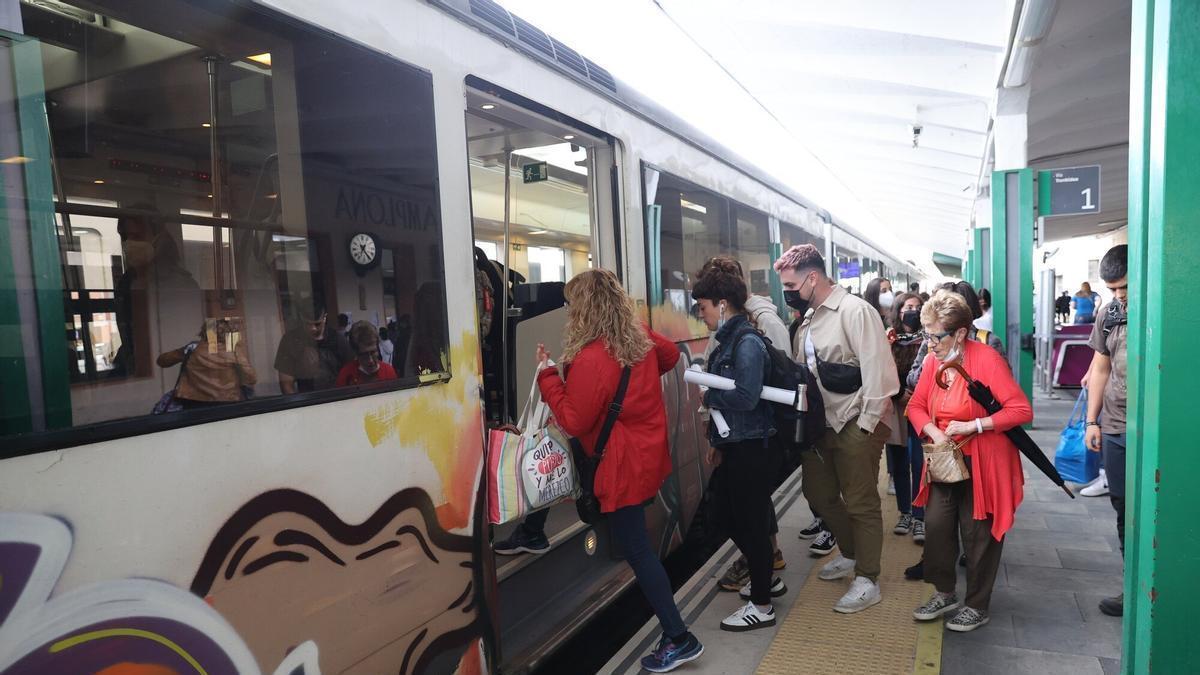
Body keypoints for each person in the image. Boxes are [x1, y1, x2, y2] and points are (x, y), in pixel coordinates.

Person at [528, 268, 703, 672]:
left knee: (638, 551)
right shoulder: (636, 336)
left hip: (620, 466)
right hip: (645, 456)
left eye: (573, 306)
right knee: (636, 543)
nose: (569, 314)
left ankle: (680, 638)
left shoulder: (592, 358)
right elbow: (672, 356)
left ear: (585, 309)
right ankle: (676, 633)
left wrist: (547, 376)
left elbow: (573, 420)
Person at [775, 244, 900, 614]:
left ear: (813, 278)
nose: (788, 292)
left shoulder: (855, 311)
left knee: (860, 501)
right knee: (818, 492)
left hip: (854, 420)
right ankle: (849, 552)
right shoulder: (810, 318)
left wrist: (865, 427)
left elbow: (879, 373)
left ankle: (868, 577)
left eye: (791, 285)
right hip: (821, 425)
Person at [907, 291, 1032, 632]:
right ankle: (945, 592)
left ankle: (977, 604)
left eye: (935, 336)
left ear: (960, 332)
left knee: (979, 536)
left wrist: (974, 425)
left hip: (984, 461)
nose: (929, 344)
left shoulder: (987, 359)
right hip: (945, 459)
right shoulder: (935, 360)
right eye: (926, 335)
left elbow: (1021, 410)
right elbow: (915, 405)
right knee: (935, 527)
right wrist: (934, 430)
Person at [692, 262, 785, 632]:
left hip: (753, 447)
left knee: (747, 521)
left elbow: (746, 397)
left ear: (723, 303)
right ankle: (767, 580)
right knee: (724, 516)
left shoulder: (746, 341)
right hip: (737, 444)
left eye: (704, 307)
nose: (701, 314)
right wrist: (718, 442)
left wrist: (707, 390)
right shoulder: (731, 339)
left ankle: (762, 604)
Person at [1084, 245, 1129, 617]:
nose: (1120, 295)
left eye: (1124, 287)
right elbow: (1100, 368)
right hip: (1115, 425)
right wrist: (1091, 420)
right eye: (1112, 289)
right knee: (1123, 505)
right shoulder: (1110, 314)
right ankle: (1132, 583)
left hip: (1155, 429)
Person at [885, 294, 924, 537]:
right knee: (899, 459)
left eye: (918, 307)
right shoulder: (888, 338)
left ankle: (920, 514)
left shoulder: (928, 336)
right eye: (908, 307)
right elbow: (881, 367)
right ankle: (904, 512)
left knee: (920, 461)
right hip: (896, 405)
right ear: (898, 311)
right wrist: (899, 393)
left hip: (921, 406)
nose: (913, 311)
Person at [156, 318, 256, 407]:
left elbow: (162, 361)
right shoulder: (234, 352)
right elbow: (251, 378)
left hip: (193, 402)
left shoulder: (192, 348)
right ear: (229, 333)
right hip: (227, 401)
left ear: (205, 332)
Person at [274, 302, 354, 394]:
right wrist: (297, 405)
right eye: (308, 324)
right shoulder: (291, 340)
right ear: (301, 318)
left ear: (325, 318)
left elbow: (351, 374)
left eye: (317, 324)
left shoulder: (338, 339)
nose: (313, 328)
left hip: (335, 398)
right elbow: (286, 384)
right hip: (306, 399)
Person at [337, 320, 398, 386]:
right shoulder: (346, 374)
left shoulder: (388, 371)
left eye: (373, 352)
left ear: (378, 348)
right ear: (356, 353)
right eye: (364, 355)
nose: (370, 360)